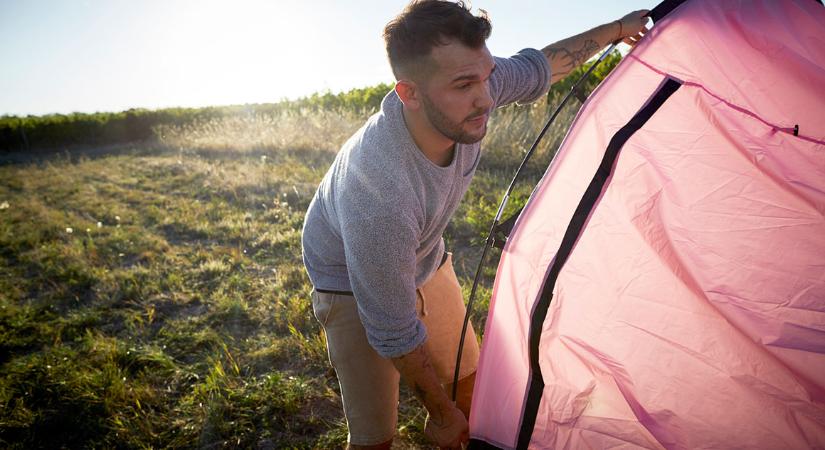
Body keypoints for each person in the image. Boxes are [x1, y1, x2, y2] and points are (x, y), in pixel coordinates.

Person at [301, 1, 649, 448]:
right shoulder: (380, 192)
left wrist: (617, 28)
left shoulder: (473, 87)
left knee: (472, 388)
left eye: (485, 76)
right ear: (409, 93)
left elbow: (541, 65)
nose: (485, 97)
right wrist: (440, 416)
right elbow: (391, 326)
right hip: (349, 283)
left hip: (425, 256)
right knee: (375, 439)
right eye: (465, 84)